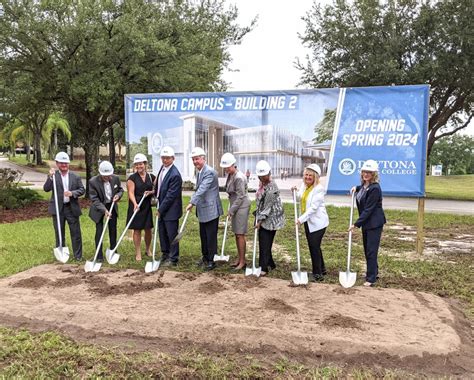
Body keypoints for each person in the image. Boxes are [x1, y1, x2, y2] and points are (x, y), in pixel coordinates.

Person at [349, 159, 386, 287]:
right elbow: (363, 188)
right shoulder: (365, 186)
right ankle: (374, 272)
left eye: (369, 172)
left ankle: (371, 279)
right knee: (367, 249)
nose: (366, 174)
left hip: (374, 223)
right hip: (367, 224)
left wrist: (355, 224)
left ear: (374, 174)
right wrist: (356, 187)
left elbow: (369, 209)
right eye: (364, 172)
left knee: (371, 250)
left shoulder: (375, 188)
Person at [186, 147, 223, 271]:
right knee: (203, 235)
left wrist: (192, 202)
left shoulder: (209, 172)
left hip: (211, 209)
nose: (195, 162)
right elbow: (198, 189)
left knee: (210, 236)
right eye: (193, 159)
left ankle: (211, 260)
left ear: (203, 158)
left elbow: (202, 189)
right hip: (203, 209)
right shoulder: (199, 171)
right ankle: (205, 257)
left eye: (197, 159)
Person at [43, 151, 85, 261]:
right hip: (58, 208)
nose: (64, 165)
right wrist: (50, 177)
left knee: (75, 232)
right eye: (61, 163)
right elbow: (46, 189)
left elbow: (82, 190)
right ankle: (61, 252)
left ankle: (78, 256)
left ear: (68, 164)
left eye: (66, 163)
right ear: (57, 164)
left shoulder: (75, 176)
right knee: (59, 231)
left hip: (71, 208)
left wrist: (72, 193)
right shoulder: (54, 175)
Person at [292, 164, 329, 282]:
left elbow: (313, 208)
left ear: (315, 177)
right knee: (314, 246)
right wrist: (295, 191)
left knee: (314, 247)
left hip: (318, 223)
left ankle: (317, 274)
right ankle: (322, 268)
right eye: (306, 175)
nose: (307, 177)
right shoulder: (304, 185)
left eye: (310, 175)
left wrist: (300, 219)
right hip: (309, 222)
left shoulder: (319, 189)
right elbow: (300, 198)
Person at [88, 161, 124, 263]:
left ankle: (113, 252)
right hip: (99, 207)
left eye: (109, 176)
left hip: (112, 205)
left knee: (113, 230)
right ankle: (99, 256)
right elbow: (94, 199)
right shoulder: (93, 182)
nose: (107, 178)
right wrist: (104, 210)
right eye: (105, 176)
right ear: (100, 174)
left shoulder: (116, 178)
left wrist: (119, 195)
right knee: (99, 231)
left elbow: (120, 190)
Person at [220, 153, 250, 271]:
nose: (226, 169)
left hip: (241, 207)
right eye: (225, 167)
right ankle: (239, 258)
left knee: (240, 234)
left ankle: (242, 262)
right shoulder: (231, 175)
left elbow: (240, 196)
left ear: (233, 165)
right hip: (236, 206)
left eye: (228, 167)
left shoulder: (239, 177)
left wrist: (231, 211)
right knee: (236, 234)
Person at [254, 160, 284, 276]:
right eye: (260, 176)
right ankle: (271, 263)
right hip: (263, 215)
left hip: (271, 219)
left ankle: (263, 268)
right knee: (265, 241)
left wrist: (259, 221)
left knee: (264, 242)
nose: (262, 177)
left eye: (264, 175)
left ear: (269, 173)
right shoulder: (263, 183)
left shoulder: (272, 187)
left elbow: (267, 207)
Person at [155, 146, 183, 267]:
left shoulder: (175, 174)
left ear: (173, 158)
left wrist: (160, 209)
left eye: (167, 158)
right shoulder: (162, 168)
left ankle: (173, 258)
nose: (165, 160)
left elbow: (171, 196)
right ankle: (165, 253)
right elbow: (160, 186)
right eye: (163, 158)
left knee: (172, 234)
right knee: (162, 233)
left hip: (171, 210)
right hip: (162, 207)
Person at [127, 153, 155, 261]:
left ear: (145, 164)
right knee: (137, 230)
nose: (139, 166)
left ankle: (148, 249)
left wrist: (151, 192)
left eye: (141, 164)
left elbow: (156, 189)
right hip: (136, 206)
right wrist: (135, 203)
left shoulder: (151, 177)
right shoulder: (132, 178)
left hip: (146, 206)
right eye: (136, 164)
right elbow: (130, 193)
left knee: (148, 229)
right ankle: (138, 252)